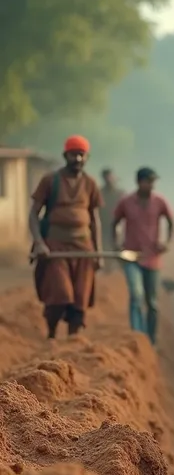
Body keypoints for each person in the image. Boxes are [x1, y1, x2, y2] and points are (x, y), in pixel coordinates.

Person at [29, 135, 103, 339]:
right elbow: (33, 214)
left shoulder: (90, 183)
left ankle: (73, 341)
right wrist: (39, 243)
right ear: (65, 155)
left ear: (86, 157)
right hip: (55, 247)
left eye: (81, 155)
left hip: (84, 248)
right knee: (60, 294)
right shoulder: (50, 181)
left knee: (80, 298)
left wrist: (98, 253)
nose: (77, 159)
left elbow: (95, 219)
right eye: (73, 154)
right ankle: (51, 334)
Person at [112, 167, 174, 347]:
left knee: (152, 302)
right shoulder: (126, 202)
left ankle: (151, 340)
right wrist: (116, 245)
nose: (152, 185)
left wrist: (166, 242)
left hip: (152, 258)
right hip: (131, 257)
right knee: (136, 295)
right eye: (149, 181)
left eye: (153, 182)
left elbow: (171, 222)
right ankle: (137, 338)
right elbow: (114, 223)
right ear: (139, 182)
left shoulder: (159, 201)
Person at [99, 168, 125, 273]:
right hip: (103, 224)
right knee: (104, 246)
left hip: (118, 224)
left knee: (118, 245)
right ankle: (107, 269)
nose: (108, 179)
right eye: (106, 177)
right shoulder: (99, 192)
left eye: (110, 177)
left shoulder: (120, 193)